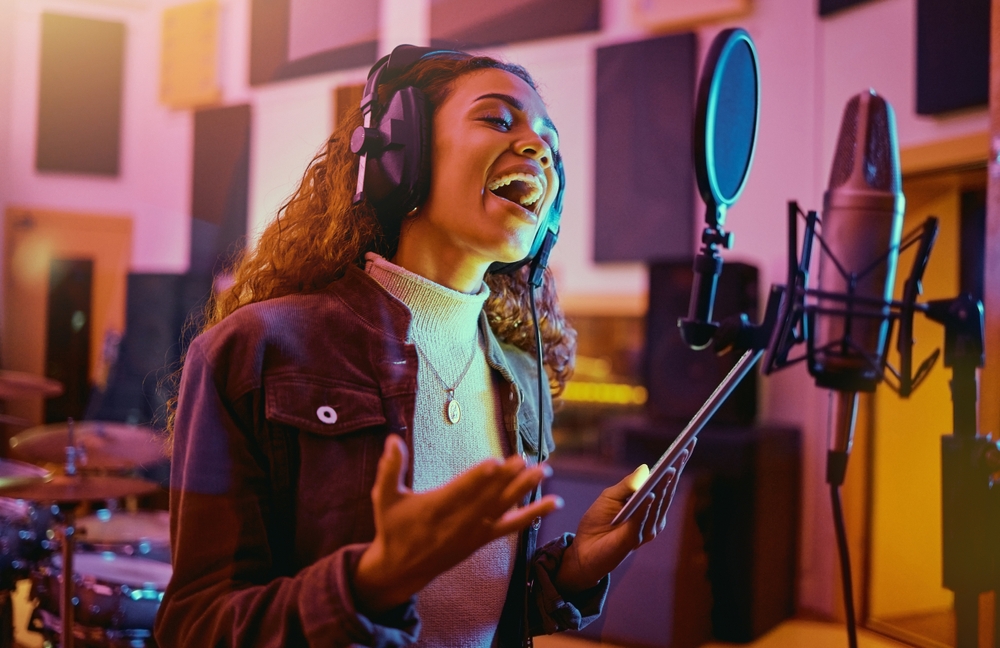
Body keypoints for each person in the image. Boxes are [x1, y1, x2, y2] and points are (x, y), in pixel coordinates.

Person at [153, 46, 693, 648]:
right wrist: (367, 585)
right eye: (497, 119)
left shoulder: (520, 374)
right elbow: (195, 628)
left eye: (551, 146)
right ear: (401, 156)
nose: (539, 149)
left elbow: (474, 613)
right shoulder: (253, 351)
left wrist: (573, 572)